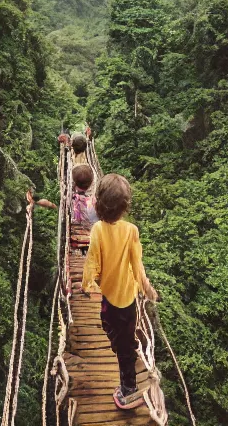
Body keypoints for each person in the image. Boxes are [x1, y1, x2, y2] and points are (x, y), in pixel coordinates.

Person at [81, 174, 159, 410]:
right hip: (128, 296)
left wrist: (87, 284)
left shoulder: (97, 230)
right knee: (119, 328)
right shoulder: (131, 230)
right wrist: (147, 288)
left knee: (117, 336)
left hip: (111, 297)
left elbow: (92, 261)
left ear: (97, 203)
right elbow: (137, 264)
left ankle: (128, 389)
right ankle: (126, 343)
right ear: (125, 207)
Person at [70, 164, 97, 252]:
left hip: (75, 240)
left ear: (74, 182)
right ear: (91, 183)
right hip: (92, 239)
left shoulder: (71, 200)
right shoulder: (93, 203)